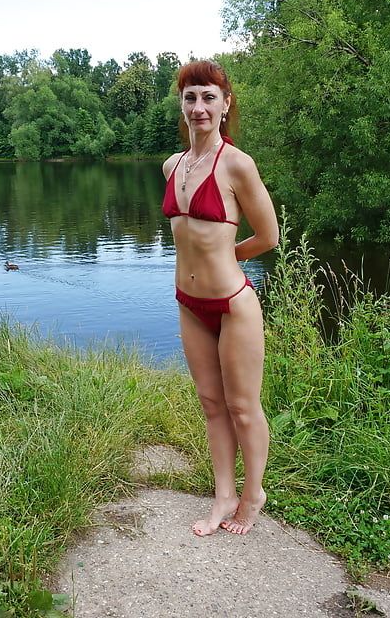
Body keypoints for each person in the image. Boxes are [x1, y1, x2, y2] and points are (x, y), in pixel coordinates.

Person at [161, 60, 279, 536]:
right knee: (211, 403)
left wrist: (228, 257)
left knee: (243, 406)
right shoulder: (171, 166)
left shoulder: (237, 164)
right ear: (182, 105)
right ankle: (223, 494)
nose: (199, 107)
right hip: (189, 303)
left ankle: (254, 494)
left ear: (226, 105)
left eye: (209, 97)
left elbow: (268, 236)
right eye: (190, 97)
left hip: (233, 303)